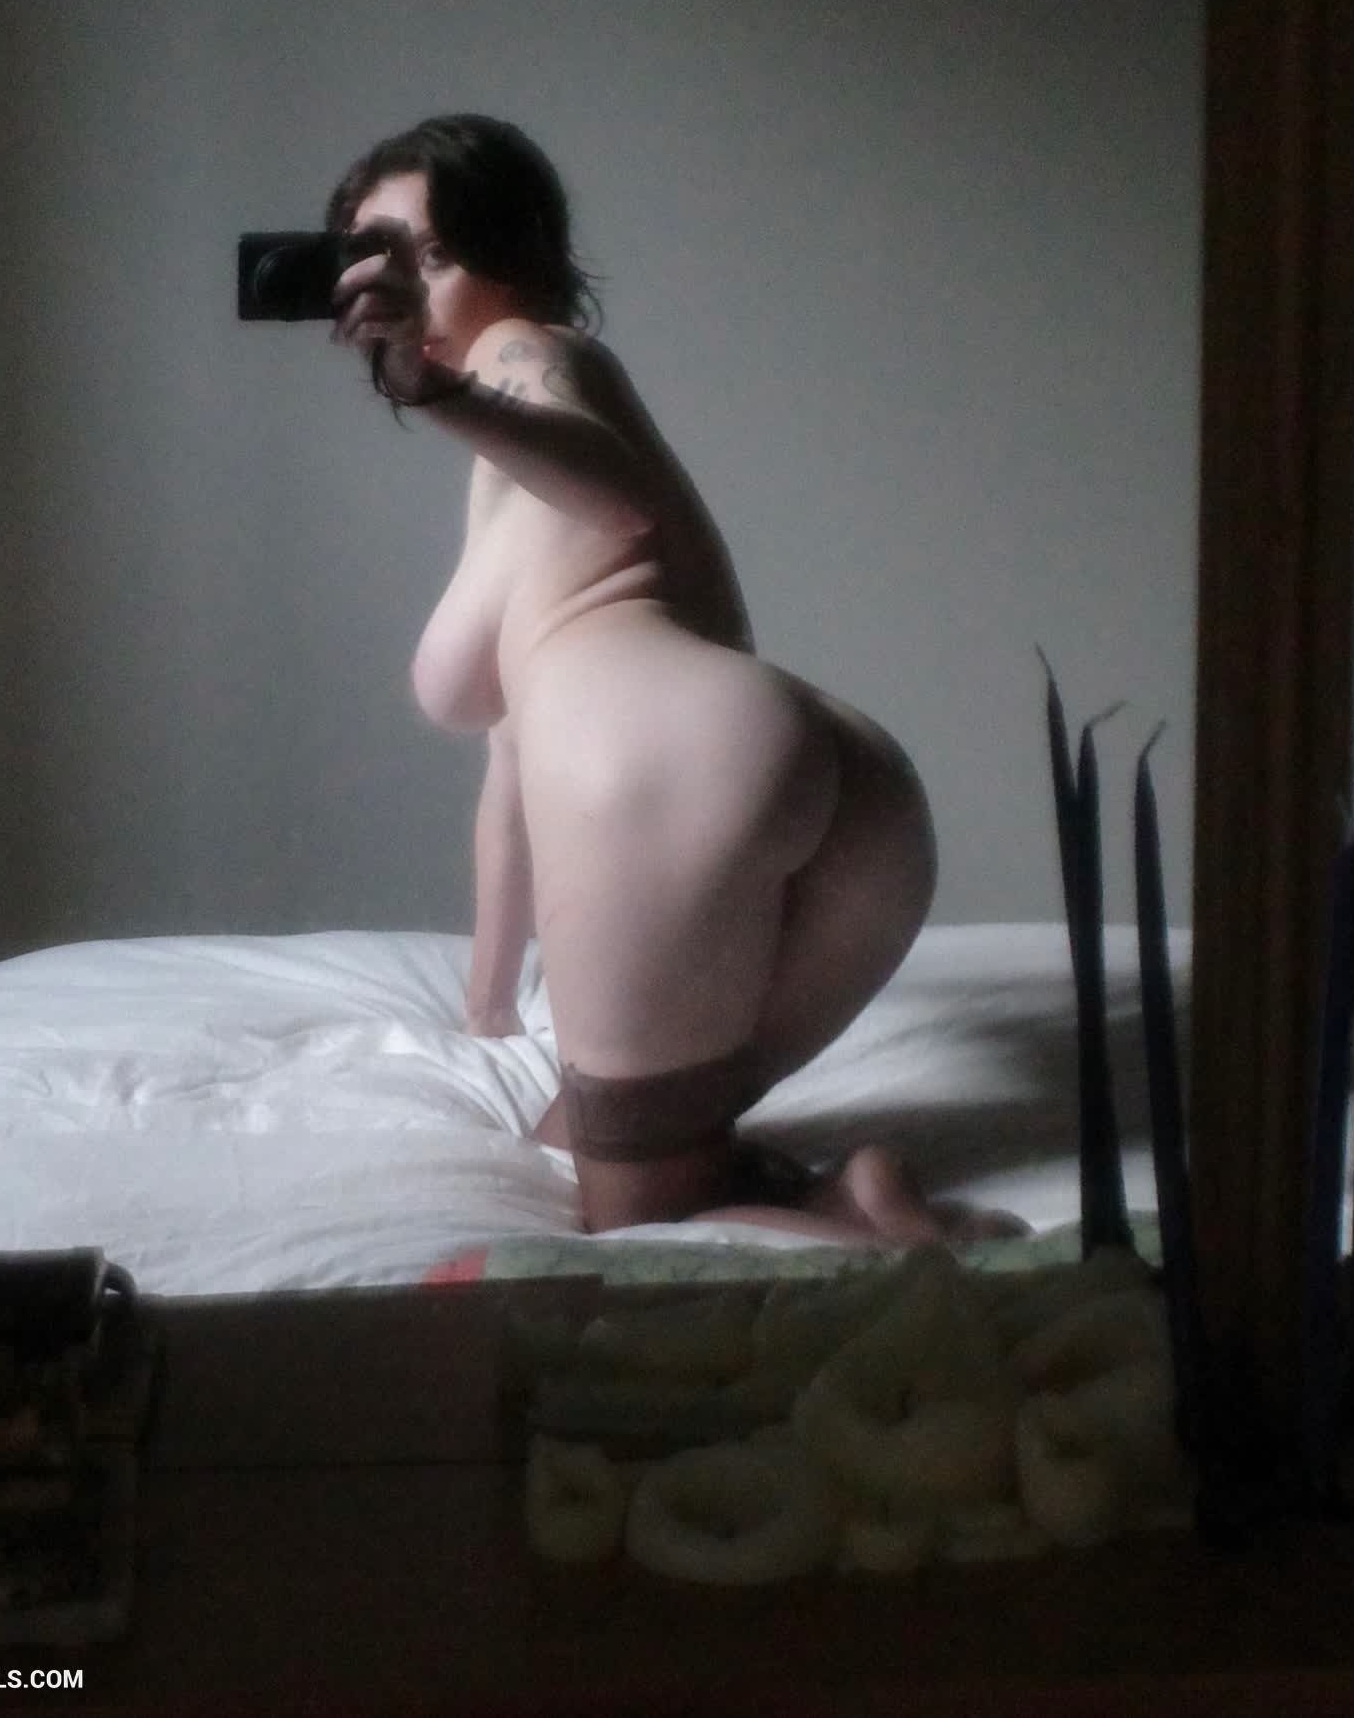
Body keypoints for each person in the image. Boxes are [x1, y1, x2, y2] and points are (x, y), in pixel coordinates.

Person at [326, 113, 1019, 1243]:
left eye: (435, 255)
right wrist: (487, 1004)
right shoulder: (514, 476)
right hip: (829, 783)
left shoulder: (524, 354)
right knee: (602, 1143)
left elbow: (618, 499)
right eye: (377, 258)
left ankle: (908, 1255)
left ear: (519, 259)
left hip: (655, 760)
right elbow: (510, 773)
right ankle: (838, 1198)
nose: (404, 289)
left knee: (637, 1230)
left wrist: (435, 392)